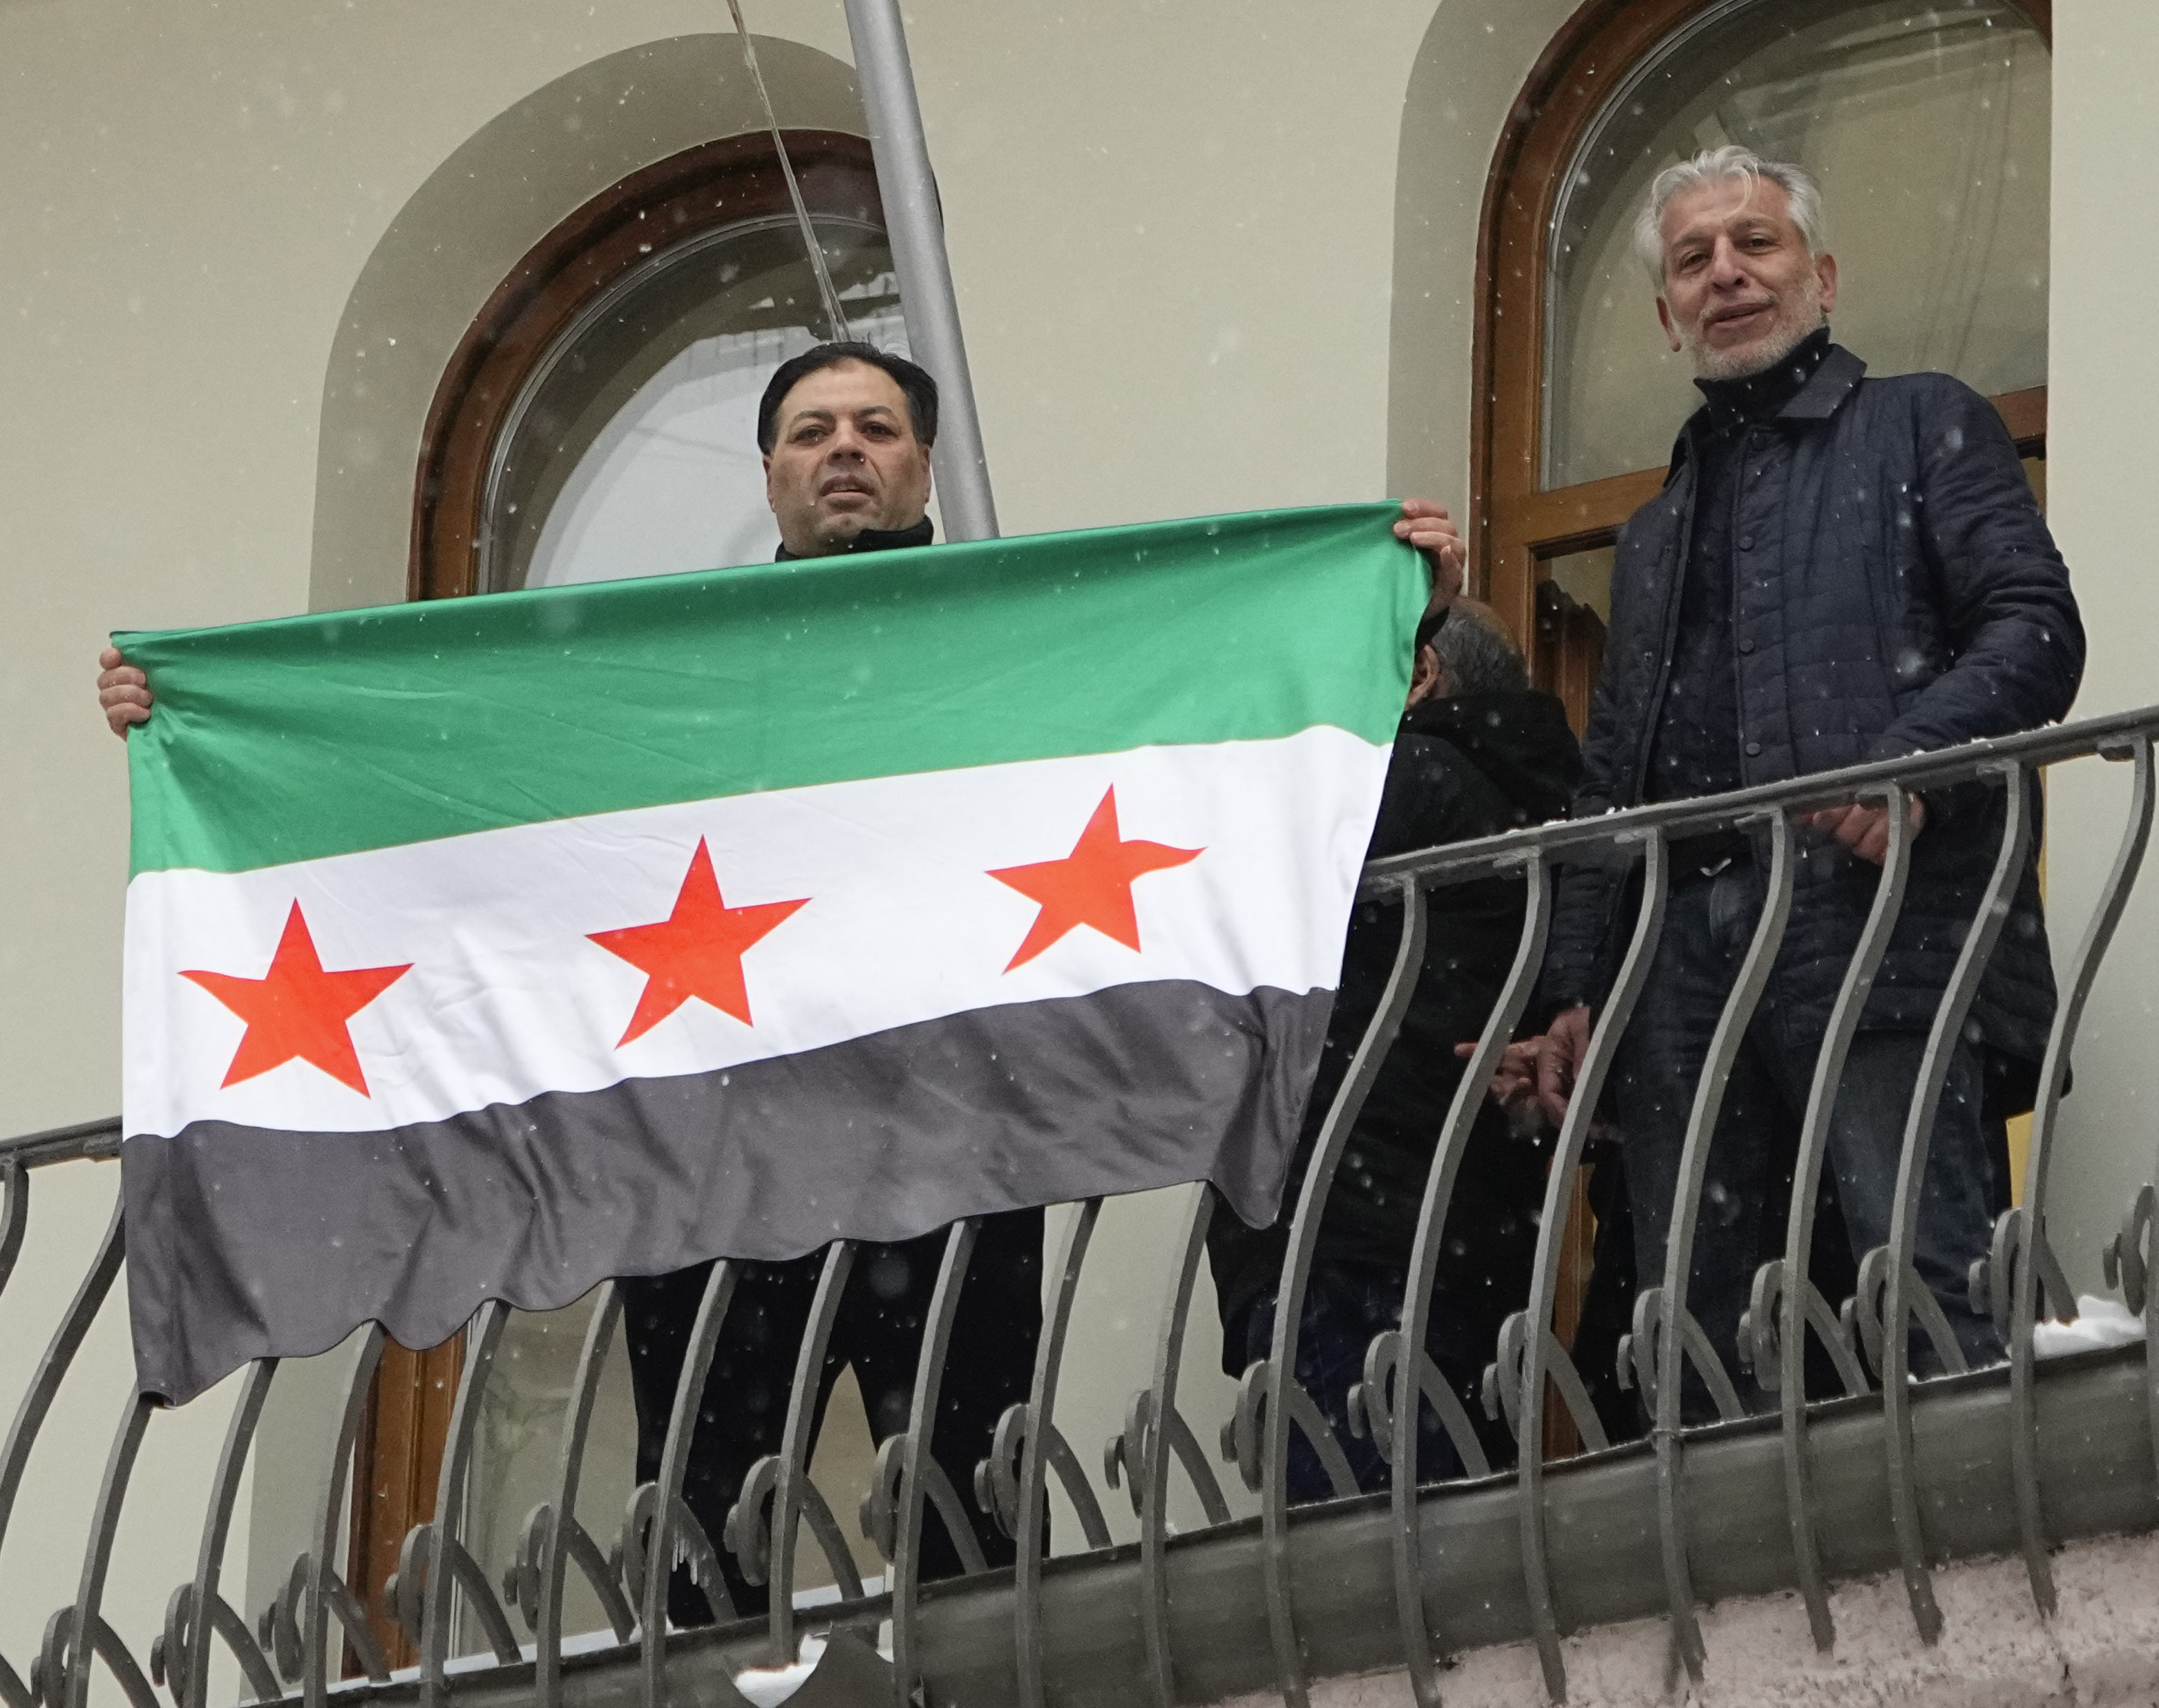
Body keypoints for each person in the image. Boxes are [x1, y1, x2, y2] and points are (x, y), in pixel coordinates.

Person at [95, 336, 1472, 1610]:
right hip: (716, 1145)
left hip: (955, 1134)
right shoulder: (687, 675)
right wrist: (204, 723)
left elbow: (1216, 673)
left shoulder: (1018, 638)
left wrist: (1382, 607)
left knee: (967, 1512)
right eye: (811, 429)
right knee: (706, 1519)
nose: (844, 449)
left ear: (923, 464)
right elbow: (460, 766)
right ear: (767, 470)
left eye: (876, 426)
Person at [1496, 146, 2084, 1394]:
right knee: (1702, 1329)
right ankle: (1746, 1590)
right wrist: (1569, 984)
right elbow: (1615, 780)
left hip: (1872, 922)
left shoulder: (1920, 421)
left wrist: (1909, 761)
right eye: (1694, 260)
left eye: (1754, 244)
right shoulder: (1654, 529)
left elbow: (2032, 622)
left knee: (1922, 1280)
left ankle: (1975, 1560)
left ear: (1820, 276)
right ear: (1667, 319)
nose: (1727, 275)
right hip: (1682, 971)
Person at [1205, 596, 1580, 1498]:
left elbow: (1218, 855)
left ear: (1419, 676)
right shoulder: (1513, 792)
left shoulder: (1407, 772)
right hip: (1445, 1221)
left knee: (1355, 1566)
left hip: (1357, 1222)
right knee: (1432, 1537)